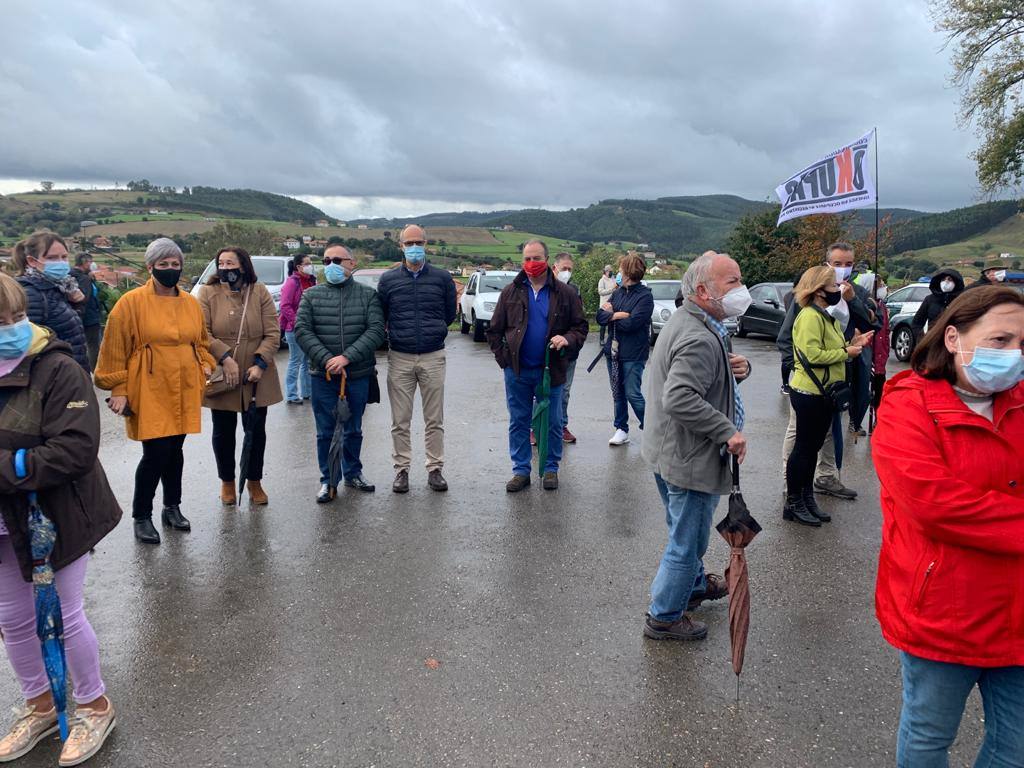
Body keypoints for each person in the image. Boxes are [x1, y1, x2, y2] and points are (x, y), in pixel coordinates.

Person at [872, 286, 1024, 766]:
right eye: (1000, 340)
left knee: (1015, 747)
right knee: (928, 738)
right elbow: (934, 504)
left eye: (1023, 343)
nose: (1014, 354)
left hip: (1018, 614)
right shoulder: (908, 405)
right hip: (944, 613)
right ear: (954, 338)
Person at [0, 273, 120, 766]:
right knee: (13, 620)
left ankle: (94, 705)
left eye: (12, 317)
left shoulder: (59, 368)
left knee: (62, 617)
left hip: (56, 514)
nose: (9, 327)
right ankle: (41, 705)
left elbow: (73, 450)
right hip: (4, 523)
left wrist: (7, 469)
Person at [641, 253, 752, 641]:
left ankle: (692, 587)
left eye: (740, 280)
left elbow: (695, 378)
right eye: (732, 283)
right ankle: (665, 616)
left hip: (668, 449)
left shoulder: (694, 322)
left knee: (682, 532)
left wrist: (737, 367)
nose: (741, 291)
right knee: (687, 542)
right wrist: (727, 431)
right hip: (688, 457)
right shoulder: (699, 336)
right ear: (703, 291)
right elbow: (680, 397)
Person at [94, 238, 216, 544]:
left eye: (175, 264)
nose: (170, 270)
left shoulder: (190, 302)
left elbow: (201, 341)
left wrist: (205, 364)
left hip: (184, 386)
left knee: (175, 451)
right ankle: (142, 515)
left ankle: (171, 507)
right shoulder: (130, 303)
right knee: (155, 453)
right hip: (148, 387)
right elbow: (114, 349)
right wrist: (119, 388)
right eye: (164, 265)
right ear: (150, 268)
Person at [778, 243, 880, 499]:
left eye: (848, 264)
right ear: (826, 264)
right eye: (837, 263)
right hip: (811, 379)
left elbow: (871, 323)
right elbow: (786, 337)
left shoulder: (857, 292)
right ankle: (791, 483)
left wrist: (852, 301)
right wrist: (800, 367)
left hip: (841, 378)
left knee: (832, 429)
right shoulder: (809, 294)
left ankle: (826, 477)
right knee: (800, 432)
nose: (842, 269)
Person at [486, 240, 587, 492]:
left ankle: (551, 468)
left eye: (537, 258)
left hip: (551, 371)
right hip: (517, 371)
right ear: (522, 261)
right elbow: (495, 330)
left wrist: (567, 339)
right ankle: (521, 470)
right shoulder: (510, 291)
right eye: (528, 259)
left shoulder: (565, 293)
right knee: (519, 421)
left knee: (553, 421)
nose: (532, 263)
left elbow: (581, 327)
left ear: (547, 258)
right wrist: (504, 361)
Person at [294, 245, 385, 503]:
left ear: (351, 263)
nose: (331, 264)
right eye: (326, 260)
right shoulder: (311, 295)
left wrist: (347, 357)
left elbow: (376, 331)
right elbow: (302, 331)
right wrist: (327, 360)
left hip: (357, 374)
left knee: (353, 429)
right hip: (322, 376)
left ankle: (353, 473)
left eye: (337, 259)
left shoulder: (368, 295)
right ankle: (328, 480)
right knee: (325, 432)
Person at [197, 246, 283, 507]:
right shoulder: (207, 292)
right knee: (223, 433)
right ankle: (227, 482)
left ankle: (254, 481)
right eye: (220, 263)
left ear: (243, 266)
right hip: (223, 372)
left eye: (230, 263)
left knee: (256, 432)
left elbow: (272, 332)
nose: (225, 268)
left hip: (257, 373)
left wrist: (259, 364)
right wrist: (225, 358)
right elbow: (203, 333)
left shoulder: (259, 292)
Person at [377, 225, 457, 494]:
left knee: (434, 419)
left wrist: (435, 332)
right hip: (400, 356)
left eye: (418, 242)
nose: (414, 246)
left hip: (433, 355)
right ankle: (401, 470)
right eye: (409, 242)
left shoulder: (442, 278)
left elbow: (448, 314)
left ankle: (435, 468)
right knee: (400, 420)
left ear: (426, 244)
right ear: (401, 246)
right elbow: (383, 314)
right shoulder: (388, 280)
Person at [9, 231, 89, 371]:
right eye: (52, 258)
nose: (61, 263)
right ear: (32, 261)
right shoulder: (31, 294)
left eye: (64, 257)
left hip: (70, 374)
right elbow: (27, 348)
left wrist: (77, 302)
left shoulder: (59, 287)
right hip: (54, 381)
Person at [597, 253, 654, 446]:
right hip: (612, 353)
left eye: (621, 269)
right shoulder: (619, 292)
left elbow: (633, 324)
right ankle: (621, 428)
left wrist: (611, 315)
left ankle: (652, 428)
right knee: (617, 393)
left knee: (632, 393)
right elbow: (599, 317)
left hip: (634, 353)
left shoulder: (645, 297)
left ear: (628, 272)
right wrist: (617, 315)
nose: (618, 273)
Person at [552, 252, 583, 444]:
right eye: (564, 268)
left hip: (568, 351)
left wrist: (569, 339)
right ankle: (534, 427)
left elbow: (579, 322)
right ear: (555, 268)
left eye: (570, 269)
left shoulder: (574, 290)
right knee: (540, 390)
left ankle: (562, 425)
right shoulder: (544, 288)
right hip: (547, 350)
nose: (567, 272)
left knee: (564, 391)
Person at [279, 253, 316, 404]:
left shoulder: (311, 281)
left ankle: (307, 392)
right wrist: (297, 322)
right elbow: (285, 305)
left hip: (308, 328)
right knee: (296, 360)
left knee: (307, 361)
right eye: (307, 263)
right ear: (299, 266)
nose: (310, 266)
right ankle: (292, 394)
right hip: (294, 329)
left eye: (310, 263)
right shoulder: (292, 283)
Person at [911, 269, 965, 349]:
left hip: (953, 346)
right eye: (943, 279)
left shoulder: (961, 301)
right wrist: (923, 340)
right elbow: (917, 323)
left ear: (956, 282)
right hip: (932, 345)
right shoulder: (930, 299)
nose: (946, 282)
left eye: (950, 279)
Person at [70, 252, 103, 370]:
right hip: (89, 317)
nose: (92, 264)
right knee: (93, 346)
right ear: (84, 263)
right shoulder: (84, 279)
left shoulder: (70, 275)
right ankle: (94, 370)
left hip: (75, 317)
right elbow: (84, 298)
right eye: (90, 262)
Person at [870, 277, 891, 417]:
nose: (884, 288)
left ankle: (879, 416)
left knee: (880, 389)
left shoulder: (882, 305)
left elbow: (886, 330)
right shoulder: (869, 305)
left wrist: (886, 349)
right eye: (881, 286)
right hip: (871, 355)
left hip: (881, 356)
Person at [598, 265, 617, 344]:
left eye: (611, 271)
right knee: (603, 323)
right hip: (604, 305)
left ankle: (610, 339)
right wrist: (612, 289)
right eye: (609, 271)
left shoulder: (614, 279)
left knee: (611, 323)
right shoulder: (602, 280)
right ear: (605, 272)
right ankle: (601, 340)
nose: (611, 272)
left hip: (612, 304)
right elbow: (601, 292)